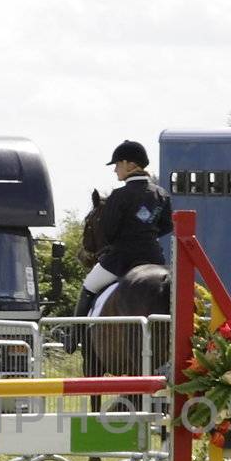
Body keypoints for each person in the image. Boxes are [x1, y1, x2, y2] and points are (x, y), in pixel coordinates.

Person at [70, 139, 173, 328]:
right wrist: (146, 232)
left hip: (122, 259)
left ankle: (74, 336)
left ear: (130, 164)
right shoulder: (161, 194)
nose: (115, 169)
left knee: (89, 285)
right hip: (153, 257)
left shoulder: (119, 195)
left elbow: (109, 232)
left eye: (117, 164)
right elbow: (167, 225)